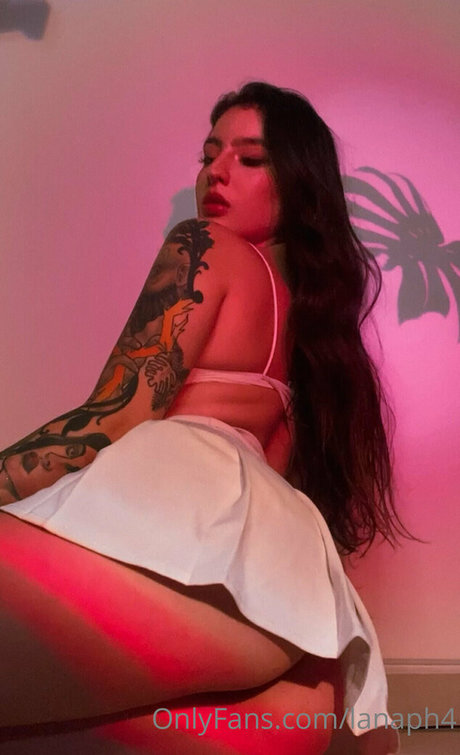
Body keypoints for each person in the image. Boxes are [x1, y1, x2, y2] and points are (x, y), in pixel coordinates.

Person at [0, 82, 408, 753]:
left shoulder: (202, 245)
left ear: (298, 182)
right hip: (290, 620)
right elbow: (274, 477)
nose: (216, 171)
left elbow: (110, 418)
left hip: (180, 550)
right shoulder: (310, 333)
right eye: (209, 153)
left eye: (250, 158)